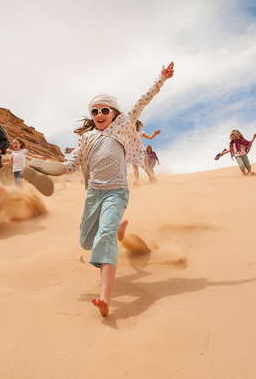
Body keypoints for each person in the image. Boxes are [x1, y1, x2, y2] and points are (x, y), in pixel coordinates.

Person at [63, 62, 175, 317]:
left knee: (103, 238)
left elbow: (142, 101)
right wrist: (49, 169)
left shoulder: (123, 124)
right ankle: (119, 231)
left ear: (113, 112)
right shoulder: (86, 137)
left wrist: (162, 78)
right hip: (94, 194)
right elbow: (71, 163)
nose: (99, 114)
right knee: (85, 241)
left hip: (116, 192)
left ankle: (104, 296)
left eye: (104, 110)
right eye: (95, 111)